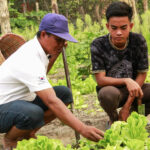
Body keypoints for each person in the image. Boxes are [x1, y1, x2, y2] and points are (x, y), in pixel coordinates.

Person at [0, 13, 104, 149]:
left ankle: (27, 133)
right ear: (43, 34)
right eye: (58, 40)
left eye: (63, 40)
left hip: (21, 101)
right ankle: (10, 139)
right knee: (34, 112)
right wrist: (82, 128)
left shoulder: (40, 49)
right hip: (3, 107)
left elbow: (42, 74)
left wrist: (55, 54)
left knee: (64, 94)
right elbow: (51, 101)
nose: (61, 44)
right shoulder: (29, 57)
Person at [90, 1, 150, 125]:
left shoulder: (138, 41)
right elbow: (100, 80)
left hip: (134, 90)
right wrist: (126, 80)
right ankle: (114, 119)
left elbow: (142, 73)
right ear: (107, 26)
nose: (118, 32)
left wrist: (127, 106)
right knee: (107, 94)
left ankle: (134, 115)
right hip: (113, 91)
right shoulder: (98, 44)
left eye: (123, 28)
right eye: (114, 28)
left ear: (131, 26)